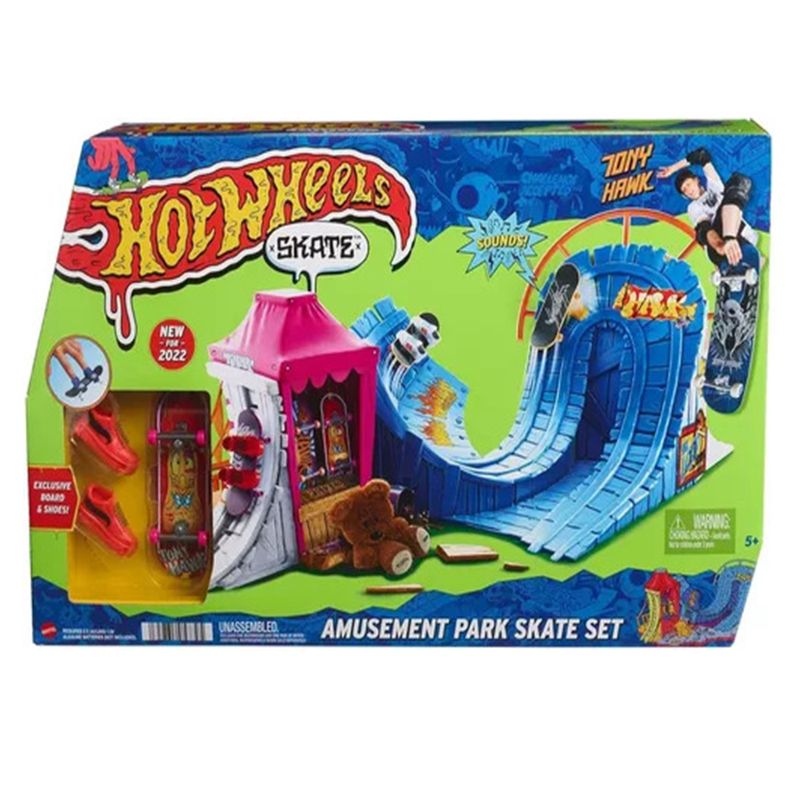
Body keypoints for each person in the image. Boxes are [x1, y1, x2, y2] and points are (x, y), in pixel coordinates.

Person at [657, 148, 757, 267]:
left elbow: (702, 155)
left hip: (743, 235)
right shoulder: (693, 207)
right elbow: (704, 229)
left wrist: (672, 168)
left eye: (688, 184)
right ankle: (728, 244)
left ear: (696, 180)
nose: (688, 190)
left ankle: (739, 249)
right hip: (717, 245)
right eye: (684, 190)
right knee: (705, 229)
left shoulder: (715, 187)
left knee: (740, 182)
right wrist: (719, 245)